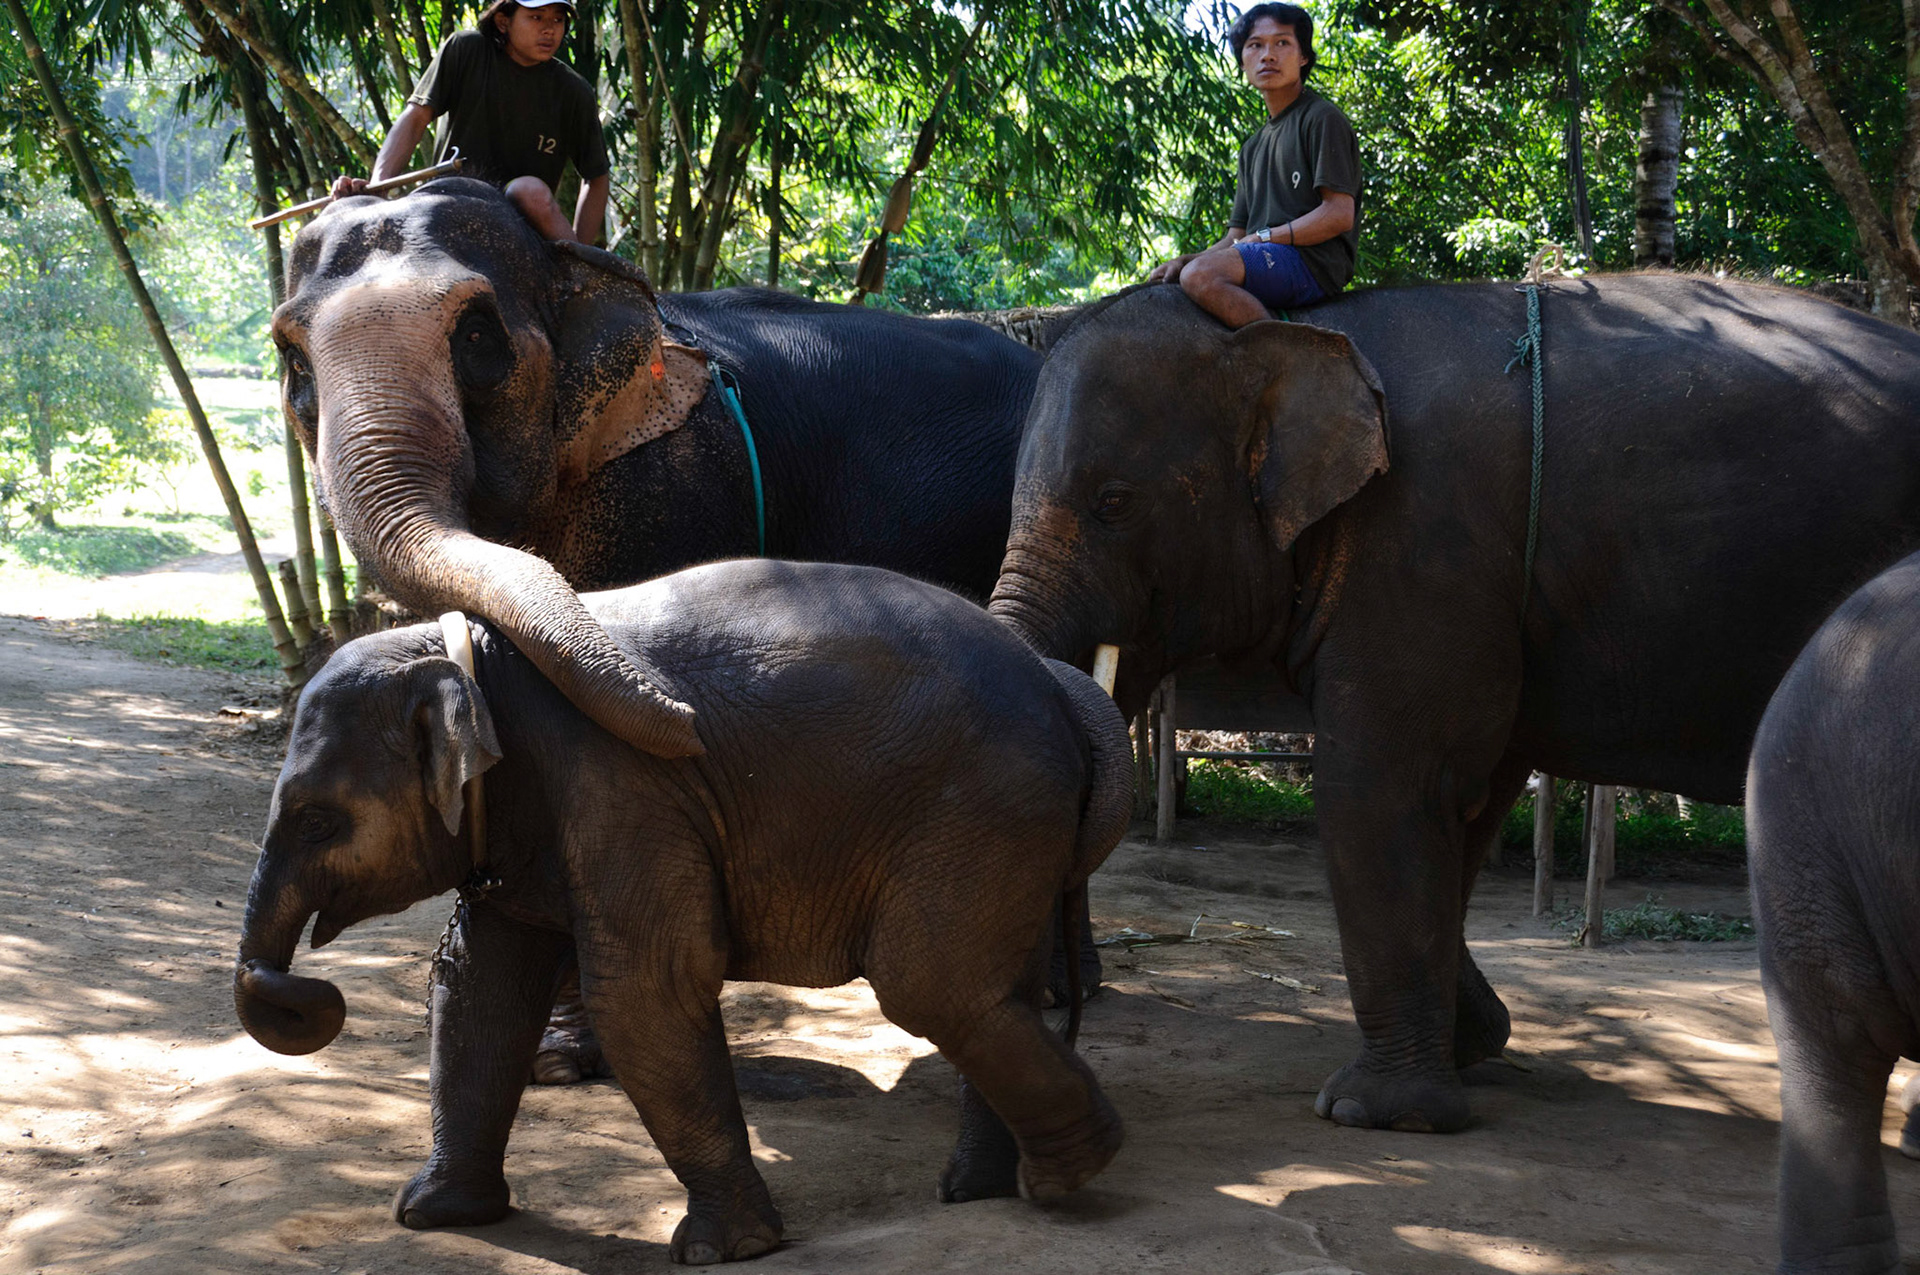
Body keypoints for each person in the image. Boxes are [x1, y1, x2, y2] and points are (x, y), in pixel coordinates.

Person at [1148, 3, 1360, 326]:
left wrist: (1265, 237)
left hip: (1312, 263)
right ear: (1242, 62)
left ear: (1304, 56)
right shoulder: (1252, 147)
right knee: (1177, 277)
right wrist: (1186, 260)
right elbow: (1237, 236)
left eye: (1282, 43)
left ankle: (1283, 349)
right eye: (1255, 45)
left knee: (1200, 276)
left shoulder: (1321, 118)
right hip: (1263, 254)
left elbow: (1339, 214)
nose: (1268, 55)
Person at [330, 0, 610, 244]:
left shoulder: (574, 91)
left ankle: (580, 272)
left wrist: (582, 250)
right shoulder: (467, 49)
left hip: (525, 215)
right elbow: (416, 118)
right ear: (503, 21)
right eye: (536, 17)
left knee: (529, 190)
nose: (549, 29)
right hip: (450, 197)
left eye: (558, 20)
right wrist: (377, 189)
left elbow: (596, 176)